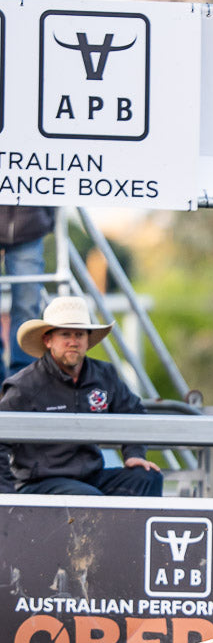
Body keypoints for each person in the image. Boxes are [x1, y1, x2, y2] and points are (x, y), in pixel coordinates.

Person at [0, 295, 162, 496]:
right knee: (88, 498)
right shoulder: (24, 386)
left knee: (147, 477)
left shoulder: (104, 375)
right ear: (48, 340)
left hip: (91, 476)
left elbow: (133, 412)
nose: (73, 342)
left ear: (88, 341)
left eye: (79, 335)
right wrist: (6, 496)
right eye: (65, 335)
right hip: (41, 482)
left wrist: (134, 454)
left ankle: (128, 528)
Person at [0, 205, 54, 380]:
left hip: (30, 225)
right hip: (31, 221)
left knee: (27, 307)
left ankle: (22, 382)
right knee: (27, 308)